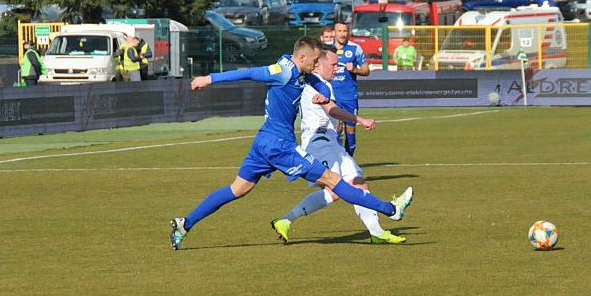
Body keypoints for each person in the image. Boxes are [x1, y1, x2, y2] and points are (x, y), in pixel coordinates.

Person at [169, 36, 413, 251]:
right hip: (279, 145)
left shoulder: (302, 72)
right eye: (315, 61)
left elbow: (318, 85)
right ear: (303, 57)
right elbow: (247, 73)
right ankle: (390, 209)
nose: (318, 65)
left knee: (237, 190)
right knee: (333, 179)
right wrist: (208, 78)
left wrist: (324, 95)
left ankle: (185, 223)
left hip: (264, 141)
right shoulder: (281, 71)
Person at [271, 46, 406, 244]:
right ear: (318, 65)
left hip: (325, 142)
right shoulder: (317, 84)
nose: (337, 68)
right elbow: (332, 110)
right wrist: (359, 119)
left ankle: (285, 220)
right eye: (333, 65)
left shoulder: (318, 82)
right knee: (351, 185)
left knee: (341, 189)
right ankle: (386, 217)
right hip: (319, 142)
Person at [331, 20, 369, 156]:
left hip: (349, 96)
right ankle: (338, 160)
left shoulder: (355, 48)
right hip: (332, 96)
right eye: (339, 31)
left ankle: (349, 161)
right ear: (334, 33)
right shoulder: (327, 49)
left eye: (345, 31)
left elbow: (366, 70)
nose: (342, 34)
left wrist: (354, 70)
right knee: (336, 128)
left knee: (350, 129)